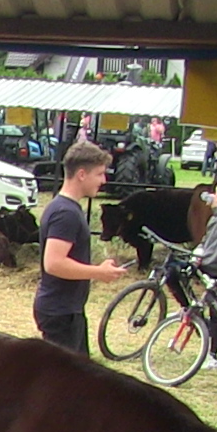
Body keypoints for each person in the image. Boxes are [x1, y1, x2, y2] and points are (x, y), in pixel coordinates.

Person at [35, 139, 124, 354]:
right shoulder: (65, 213)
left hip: (66, 309)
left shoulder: (65, 208)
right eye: (99, 174)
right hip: (60, 312)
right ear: (82, 174)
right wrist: (98, 272)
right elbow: (54, 263)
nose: (103, 180)